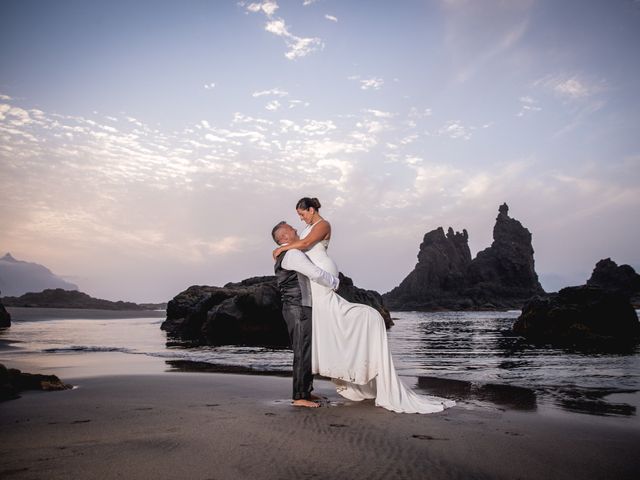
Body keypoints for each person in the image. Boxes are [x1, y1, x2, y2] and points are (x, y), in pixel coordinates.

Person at [272, 197, 455, 414]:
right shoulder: (297, 241)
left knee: (323, 337)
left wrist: (282, 248)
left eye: (301, 214)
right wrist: (284, 249)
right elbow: (300, 252)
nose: (299, 220)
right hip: (312, 292)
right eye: (296, 219)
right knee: (314, 342)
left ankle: (324, 383)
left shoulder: (322, 225)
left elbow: (302, 245)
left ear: (311, 210)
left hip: (318, 289)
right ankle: (304, 392)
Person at [271, 220, 340, 408]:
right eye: (290, 229)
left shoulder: (289, 252)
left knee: (306, 349)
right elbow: (315, 273)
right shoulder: (292, 253)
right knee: (302, 350)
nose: (295, 228)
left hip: (298, 307)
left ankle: (306, 392)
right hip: (298, 307)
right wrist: (335, 282)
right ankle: (300, 396)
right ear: (284, 237)